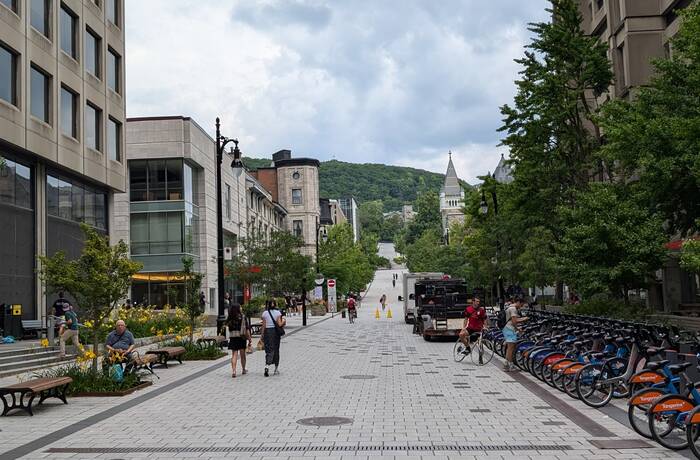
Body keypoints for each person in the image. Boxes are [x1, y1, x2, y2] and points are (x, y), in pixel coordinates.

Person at [502, 297, 528, 372]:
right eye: (521, 305)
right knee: (511, 348)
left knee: (509, 348)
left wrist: (517, 328)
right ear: (518, 302)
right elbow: (514, 321)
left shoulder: (509, 307)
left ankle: (506, 365)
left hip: (507, 328)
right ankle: (511, 366)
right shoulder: (513, 309)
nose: (521, 307)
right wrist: (524, 319)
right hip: (510, 329)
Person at [262, 300, 285, 377]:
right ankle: (276, 369)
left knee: (269, 349)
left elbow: (264, 325)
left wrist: (262, 335)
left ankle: (267, 365)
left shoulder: (265, 313)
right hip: (275, 333)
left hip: (267, 332)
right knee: (276, 349)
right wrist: (284, 321)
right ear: (275, 305)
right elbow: (279, 324)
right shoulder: (278, 313)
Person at [227, 303, 251, 378]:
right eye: (240, 307)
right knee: (242, 354)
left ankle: (234, 371)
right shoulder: (243, 317)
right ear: (238, 308)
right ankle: (243, 369)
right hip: (241, 337)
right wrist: (249, 338)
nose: (241, 308)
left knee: (234, 354)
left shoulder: (230, 317)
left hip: (233, 337)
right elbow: (247, 329)